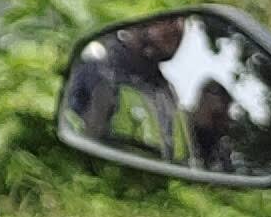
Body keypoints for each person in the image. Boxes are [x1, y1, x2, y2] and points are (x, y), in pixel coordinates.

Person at [66, 17, 189, 158]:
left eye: (184, 19)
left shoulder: (167, 93)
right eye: (169, 19)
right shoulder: (99, 68)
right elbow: (77, 140)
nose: (179, 27)